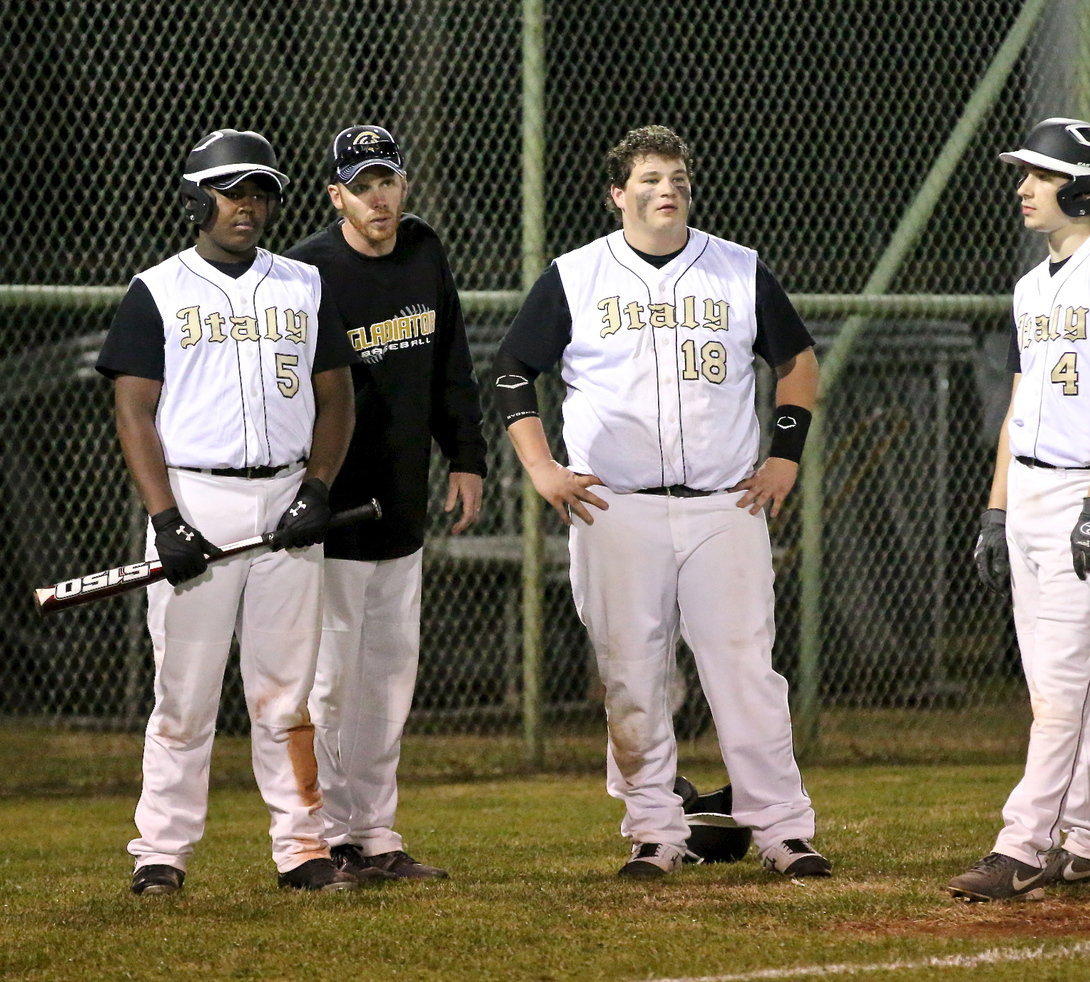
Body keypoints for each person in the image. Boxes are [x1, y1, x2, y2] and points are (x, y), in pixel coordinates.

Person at [494, 125, 830, 881]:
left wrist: (783, 456)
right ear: (619, 194)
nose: (665, 189)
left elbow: (797, 362)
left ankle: (781, 829)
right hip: (616, 508)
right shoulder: (577, 275)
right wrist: (541, 467)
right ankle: (655, 829)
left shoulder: (737, 268)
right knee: (631, 673)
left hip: (724, 505)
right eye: (647, 178)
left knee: (745, 670)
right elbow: (514, 369)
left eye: (675, 175)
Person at [96, 129, 359, 895]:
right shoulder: (158, 289)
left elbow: (336, 396)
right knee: (184, 690)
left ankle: (303, 849)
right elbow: (133, 412)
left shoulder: (302, 285)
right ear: (195, 198)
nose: (249, 205)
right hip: (198, 496)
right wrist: (166, 518)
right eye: (231, 190)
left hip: (285, 499)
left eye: (262, 191)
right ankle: (162, 853)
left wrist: (317, 487)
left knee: (287, 692)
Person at [949, 117, 1090, 902]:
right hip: (1030, 489)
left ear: (1086, 183)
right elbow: (1018, 403)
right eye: (1027, 173)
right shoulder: (1030, 285)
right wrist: (996, 509)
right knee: (1066, 680)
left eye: (1042, 173)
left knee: (1063, 682)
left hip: (1083, 489)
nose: (1024, 187)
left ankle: (1024, 844)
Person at [284, 125, 487, 882]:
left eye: (388, 181)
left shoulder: (424, 251)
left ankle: (376, 832)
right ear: (336, 195)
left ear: (404, 186)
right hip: (332, 511)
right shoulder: (306, 271)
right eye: (361, 184)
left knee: (389, 676)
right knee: (334, 679)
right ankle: (330, 832)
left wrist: (465, 457)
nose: (378, 196)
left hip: (401, 503)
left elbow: (451, 364)